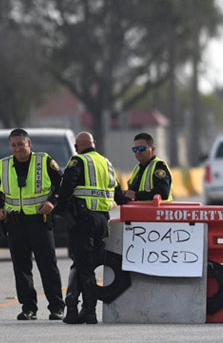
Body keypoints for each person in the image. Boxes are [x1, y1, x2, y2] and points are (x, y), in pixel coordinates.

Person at [0, 128, 66, 321]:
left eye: (21, 144)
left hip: (40, 223)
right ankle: (29, 308)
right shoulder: (3, 165)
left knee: (48, 266)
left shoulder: (44, 161)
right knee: (21, 268)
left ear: (29, 143)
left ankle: (56, 307)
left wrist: (52, 202)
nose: (17, 148)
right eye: (13, 145)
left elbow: (61, 185)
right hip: (15, 225)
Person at [55, 132, 118, 324]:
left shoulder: (78, 160)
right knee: (87, 264)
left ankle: (86, 310)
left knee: (83, 266)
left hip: (83, 220)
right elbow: (117, 190)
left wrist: (59, 209)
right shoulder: (106, 163)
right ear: (94, 144)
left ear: (77, 146)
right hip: (102, 220)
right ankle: (78, 308)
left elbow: (66, 187)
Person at [123, 132, 173, 202]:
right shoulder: (137, 168)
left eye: (141, 148)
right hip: (141, 211)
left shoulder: (159, 166)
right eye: (135, 149)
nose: (138, 152)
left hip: (157, 211)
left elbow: (163, 192)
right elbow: (133, 192)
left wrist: (136, 195)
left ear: (152, 149)